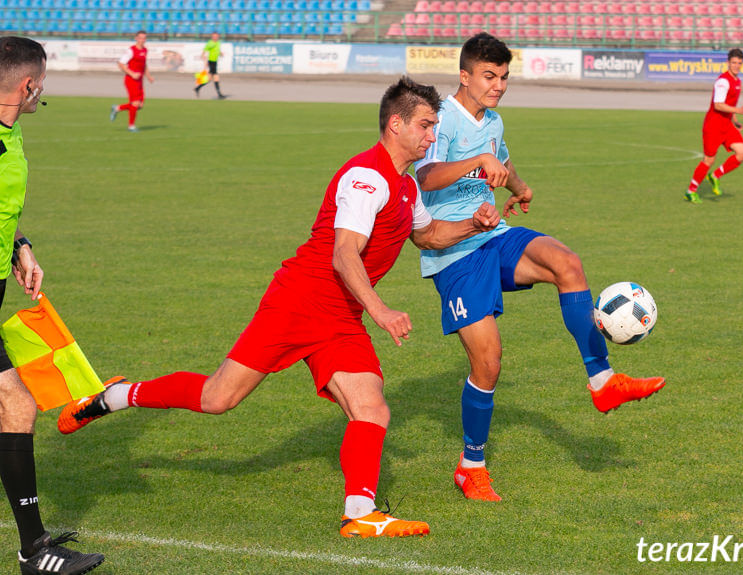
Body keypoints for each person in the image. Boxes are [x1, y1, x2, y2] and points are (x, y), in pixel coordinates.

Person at [58, 77, 501, 537]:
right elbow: (344, 253)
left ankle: (359, 514)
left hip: (340, 314)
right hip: (300, 301)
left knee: (371, 407)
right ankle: (112, 396)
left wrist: (475, 222)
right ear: (396, 124)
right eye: (427, 126)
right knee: (218, 398)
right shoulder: (366, 178)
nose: (433, 137)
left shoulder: (406, 186)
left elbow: (428, 235)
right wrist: (382, 310)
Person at [414, 33, 665, 502]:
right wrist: (478, 161)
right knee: (488, 365)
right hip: (454, 254)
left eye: (505, 77)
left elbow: (501, 162)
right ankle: (472, 466)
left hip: (494, 236)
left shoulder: (493, 120)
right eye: (489, 76)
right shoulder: (442, 119)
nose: (499, 86)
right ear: (464, 76)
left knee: (566, 263)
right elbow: (424, 176)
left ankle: (603, 380)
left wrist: (519, 187)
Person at [0, 36, 105, 575]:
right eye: (44, 81)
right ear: (28, 85)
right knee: (14, 400)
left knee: (15, 403)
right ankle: (34, 548)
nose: (45, 90)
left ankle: (32, 547)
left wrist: (20, 247)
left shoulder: (8, 132)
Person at [685, 48, 743, 203]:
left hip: (726, 125)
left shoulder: (737, 81)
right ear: (728, 63)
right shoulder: (723, 81)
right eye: (733, 62)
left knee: (742, 153)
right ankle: (691, 190)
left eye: (739, 63)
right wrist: (739, 110)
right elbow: (718, 105)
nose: (736, 66)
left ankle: (715, 176)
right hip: (713, 126)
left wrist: (734, 119)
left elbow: (729, 104)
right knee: (709, 160)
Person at [109, 30, 153, 133]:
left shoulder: (145, 50)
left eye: (144, 38)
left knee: (139, 106)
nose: (142, 40)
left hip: (140, 81)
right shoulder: (131, 50)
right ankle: (131, 126)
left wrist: (148, 76)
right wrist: (132, 73)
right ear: (136, 38)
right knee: (135, 103)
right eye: (140, 38)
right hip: (131, 80)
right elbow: (120, 64)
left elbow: (144, 64)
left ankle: (117, 108)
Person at [194, 32, 226, 100]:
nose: (215, 37)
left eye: (216, 36)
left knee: (209, 79)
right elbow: (204, 51)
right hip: (211, 62)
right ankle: (219, 94)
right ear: (212, 37)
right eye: (214, 36)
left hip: (215, 62)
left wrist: (220, 53)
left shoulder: (218, 42)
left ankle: (197, 88)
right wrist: (203, 58)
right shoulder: (210, 43)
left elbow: (217, 49)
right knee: (216, 78)